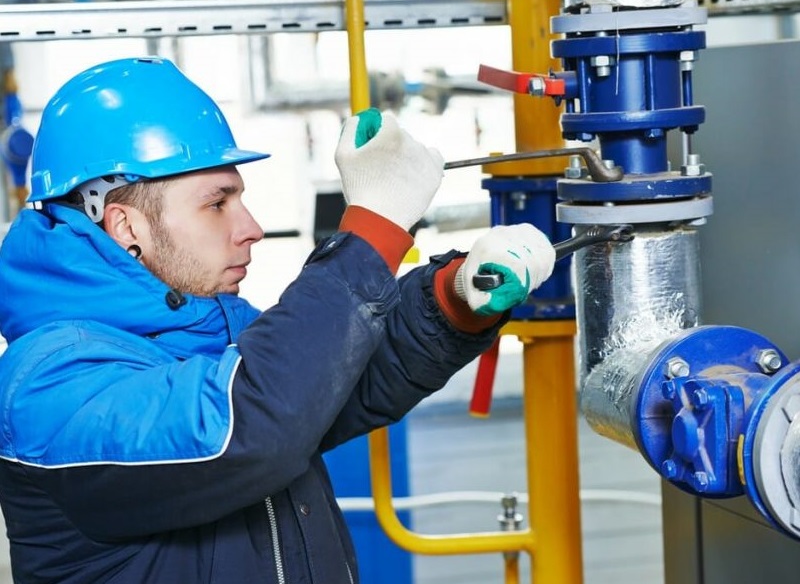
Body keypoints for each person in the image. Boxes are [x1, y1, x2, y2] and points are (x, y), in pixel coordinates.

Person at [0, 56, 555, 584]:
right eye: (217, 203)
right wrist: (372, 233)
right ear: (126, 228)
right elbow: (249, 427)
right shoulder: (48, 382)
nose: (251, 229)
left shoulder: (202, 331)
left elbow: (337, 375)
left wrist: (452, 297)